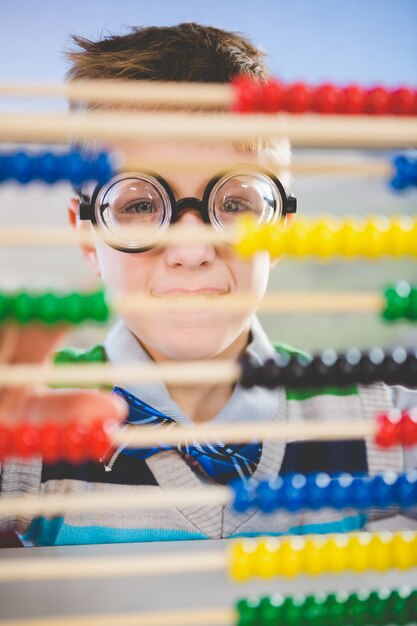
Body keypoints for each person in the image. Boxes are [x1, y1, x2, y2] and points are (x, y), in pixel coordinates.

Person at [0, 23, 412, 546]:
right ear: (88, 236)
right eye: (141, 205)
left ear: (281, 229)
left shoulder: (377, 424)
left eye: (235, 204)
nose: (192, 250)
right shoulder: (30, 434)